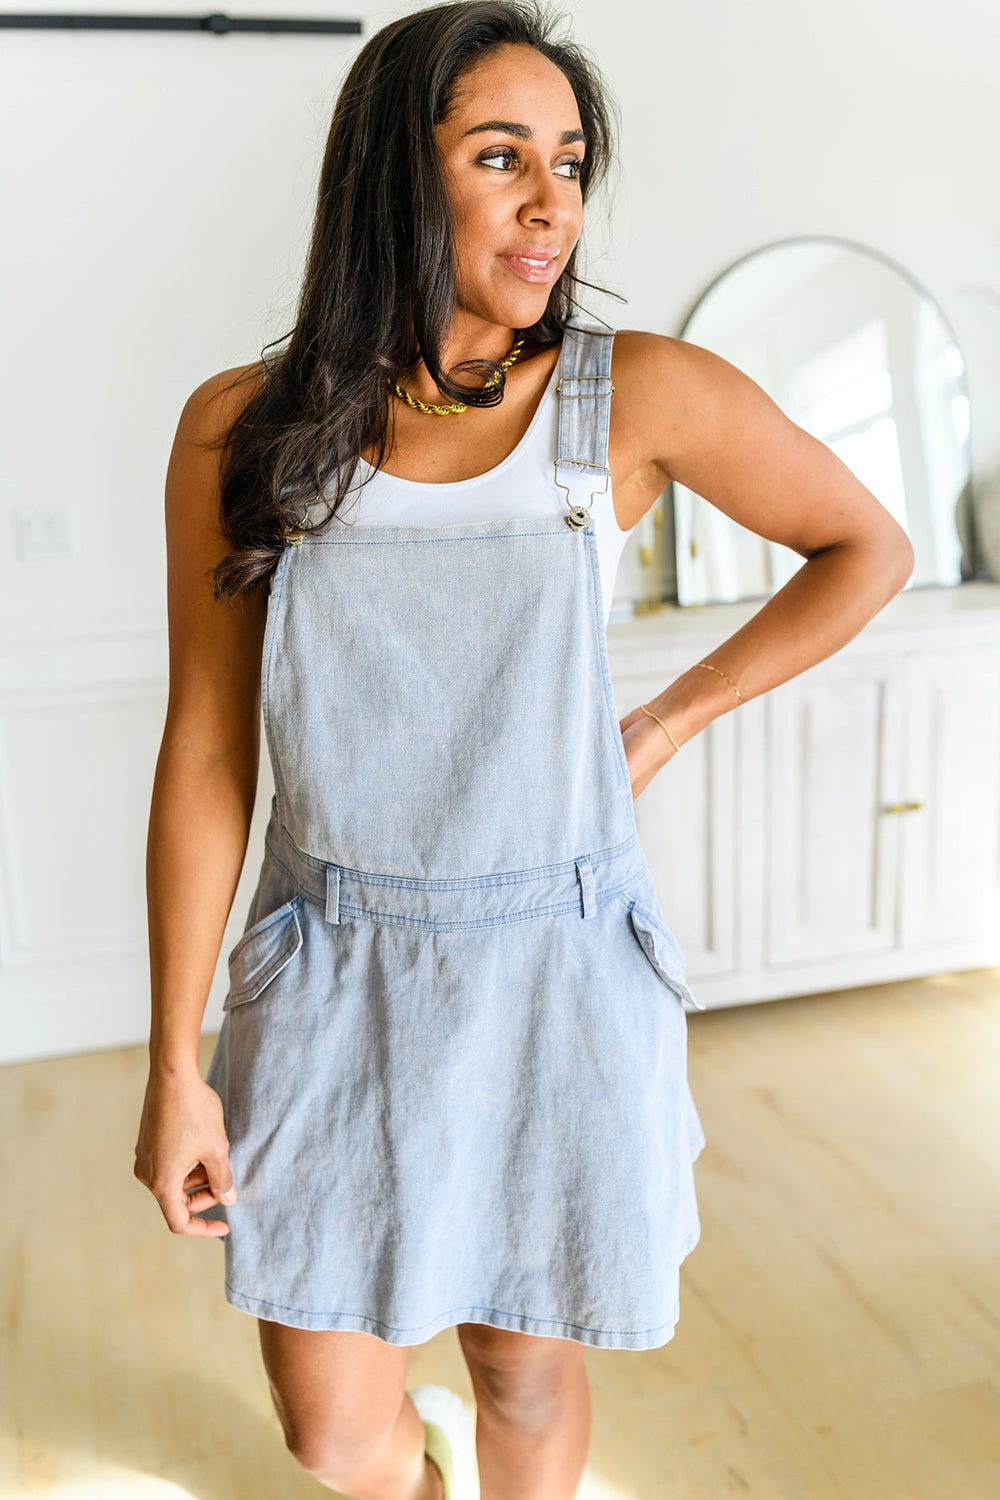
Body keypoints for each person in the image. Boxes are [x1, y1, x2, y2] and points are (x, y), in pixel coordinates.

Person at [133, 3, 914, 1497]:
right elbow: (207, 754)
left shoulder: (638, 396)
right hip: (331, 969)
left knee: (523, 1365)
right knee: (332, 1426)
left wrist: (665, 721)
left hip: (558, 975)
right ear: (395, 175)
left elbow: (864, 546)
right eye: (503, 157)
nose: (553, 201)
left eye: (570, 160)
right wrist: (176, 1065)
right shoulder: (244, 428)